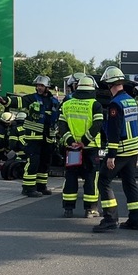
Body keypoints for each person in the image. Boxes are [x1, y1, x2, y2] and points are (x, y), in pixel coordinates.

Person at [93, 66, 138, 232]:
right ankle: (135, 219)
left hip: (121, 150)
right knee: (130, 183)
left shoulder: (115, 104)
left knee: (103, 180)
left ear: (110, 85)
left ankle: (110, 219)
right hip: (133, 149)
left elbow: (115, 132)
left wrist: (111, 156)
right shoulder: (130, 100)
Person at [0, 75, 60, 197]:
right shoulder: (32, 98)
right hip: (33, 137)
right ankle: (28, 188)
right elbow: (20, 101)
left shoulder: (54, 101)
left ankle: (41, 186)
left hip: (48, 138)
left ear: (47, 87)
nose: (39, 88)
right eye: (37, 85)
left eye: (41, 86)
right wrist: (6, 101)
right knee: (33, 162)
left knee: (45, 163)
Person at [58, 76, 103, 218]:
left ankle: (68, 209)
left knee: (71, 176)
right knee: (91, 177)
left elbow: (61, 125)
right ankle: (90, 209)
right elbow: (97, 125)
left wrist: (71, 141)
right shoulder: (95, 105)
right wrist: (85, 141)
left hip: (72, 149)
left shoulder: (67, 104)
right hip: (90, 148)